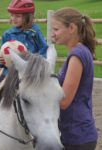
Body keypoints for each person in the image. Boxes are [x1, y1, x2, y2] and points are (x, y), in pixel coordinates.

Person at [0, 0, 48, 146]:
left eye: (17, 16)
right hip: (9, 75)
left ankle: (50, 126)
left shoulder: (35, 32)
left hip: (29, 76)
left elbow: (44, 51)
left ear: (28, 16)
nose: (13, 18)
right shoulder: (8, 34)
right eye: (12, 15)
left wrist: (33, 60)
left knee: (46, 96)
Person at [51, 7, 98, 150]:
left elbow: (64, 101)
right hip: (77, 133)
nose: (53, 34)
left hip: (77, 137)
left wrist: (41, 93)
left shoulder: (77, 55)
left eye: (56, 29)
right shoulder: (80, 51)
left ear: (71, 28)